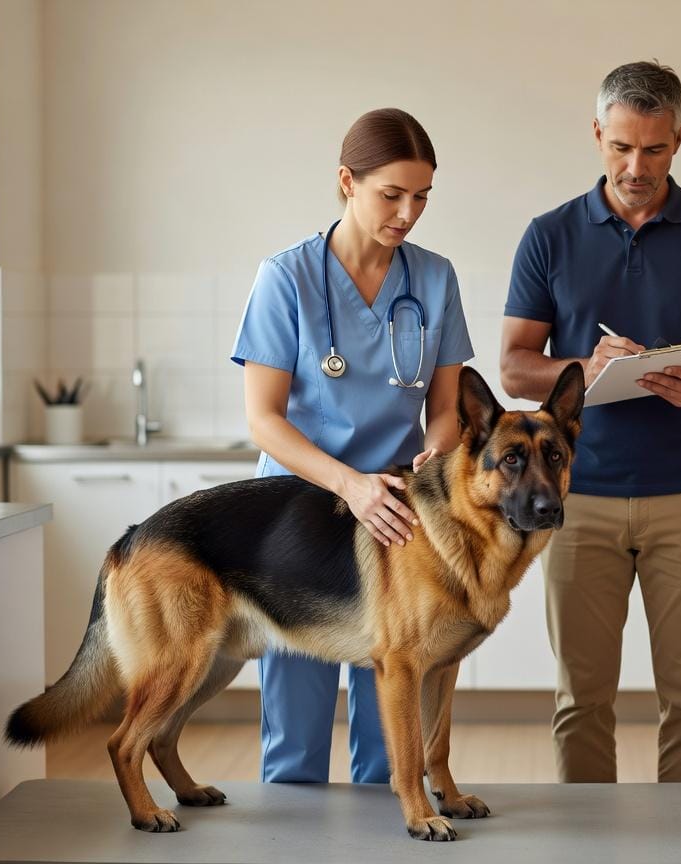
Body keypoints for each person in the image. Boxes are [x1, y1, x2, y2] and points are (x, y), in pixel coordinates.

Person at [500, 61, 681, 783]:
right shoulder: (549, 235)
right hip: (575, 499)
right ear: (597, 135)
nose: (636, 166)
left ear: (679, 139)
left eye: (653, 149)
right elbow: (514, 367)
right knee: (581, 699)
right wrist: (584, 370)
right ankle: (589, 846)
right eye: (620, 147)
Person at [230, 108, 474, 784]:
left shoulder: (434, 279)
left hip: (398, 515)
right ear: (347, 181)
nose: (408, 213)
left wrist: (435, 452)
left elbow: (448, 407)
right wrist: (349, 485)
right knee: (296, 732)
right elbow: (265, 419)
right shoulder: (286, 278)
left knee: (394, 721)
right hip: (299, 517)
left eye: (421, 196)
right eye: (391, 194)